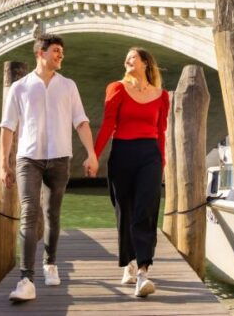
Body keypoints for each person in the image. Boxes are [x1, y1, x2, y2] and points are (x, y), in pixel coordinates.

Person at [0, 34, 99, 302]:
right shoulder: (20, 87)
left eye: (62, 52)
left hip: (59, 158)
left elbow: (81, 121)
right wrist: (3, 164)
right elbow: (8, 127)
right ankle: (26, 279)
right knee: (29, 212)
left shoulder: (68, 86)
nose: (60, 56)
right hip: (28, 158)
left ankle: (50, 263)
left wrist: (91, 153)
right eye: (56, 51)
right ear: (40, 53)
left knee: (52, 213)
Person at [94, 48, 170, 298]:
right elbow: (108, 124)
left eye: (132, 56)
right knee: (124, 211)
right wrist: (94, 154)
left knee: (145, 212)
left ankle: (143, 273)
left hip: (150, 156)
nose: (127, 59)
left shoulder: (161, 96)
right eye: (125, 56)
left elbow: (161, 132)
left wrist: (162, 162)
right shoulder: (116, 88)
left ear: (146, 62)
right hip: (122, 154)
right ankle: (129, 263)